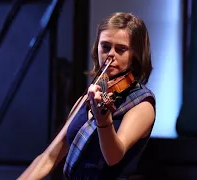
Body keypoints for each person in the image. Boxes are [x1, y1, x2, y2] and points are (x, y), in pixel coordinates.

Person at [18, 12, 156, 180]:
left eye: (120, 49)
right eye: (105, 47)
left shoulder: (142, 104)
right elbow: (49, 157)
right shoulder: (88, 97)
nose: (111, 55)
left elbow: (113, 157)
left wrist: (103, 120)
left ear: (135, 54)